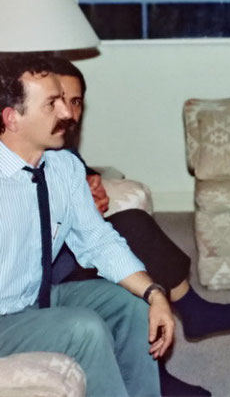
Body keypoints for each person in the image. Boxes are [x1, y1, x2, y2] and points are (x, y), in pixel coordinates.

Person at [51, 60, 230, 396]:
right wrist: (77, 211)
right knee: (132, 244)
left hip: (71, 250)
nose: (69, 112)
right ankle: (183, 327)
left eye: (76, 102)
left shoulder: (60, 147)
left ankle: (181, 324)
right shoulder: (21, 156)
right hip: (52, 272)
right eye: (58, 101)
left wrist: (92, 183)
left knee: (132, 223)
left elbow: (79, 174)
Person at [0, 53, 175, 397]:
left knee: (132, 305)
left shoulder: (64, 167)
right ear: (12, 118)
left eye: (65, 101)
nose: (68, 113)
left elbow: (98, 241)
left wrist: (154, 293)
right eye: (52, 104)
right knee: (84, 329)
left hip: (34, 299)